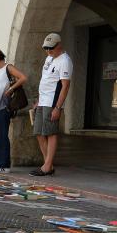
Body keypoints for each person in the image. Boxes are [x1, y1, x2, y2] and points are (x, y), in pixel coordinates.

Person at [31, 32, 72, 176]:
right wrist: (38, 100)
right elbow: (45, 80)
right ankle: (48, 164)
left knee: (51, 133)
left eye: (51, 48)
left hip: (52, 103)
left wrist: (58, 107)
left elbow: (65, 86)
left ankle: (47, 166)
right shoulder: (49, 58)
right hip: (43, 101)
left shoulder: (65, 60)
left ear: (59, 45)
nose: (48, 51)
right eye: (46, 48)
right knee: (39, 133)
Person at [0, 47, 27, 173]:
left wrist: (11, 89)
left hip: (3, 107)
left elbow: (23, 77)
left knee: (1, 136)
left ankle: (3, 165)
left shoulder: (8, 67)